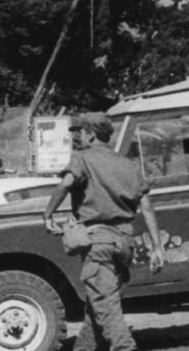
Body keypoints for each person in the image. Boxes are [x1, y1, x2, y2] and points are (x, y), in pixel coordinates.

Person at [42, 115, 164, 351]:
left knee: (107, 311)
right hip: (124, 245)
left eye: (79, 133)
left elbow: (66, 183)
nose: (76, 138)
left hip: (98, 245)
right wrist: (157, 247)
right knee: (98, 310)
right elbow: (147, 207)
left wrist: (48, 214)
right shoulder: (129, 165)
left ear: (91, 134)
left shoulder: (82, 158)